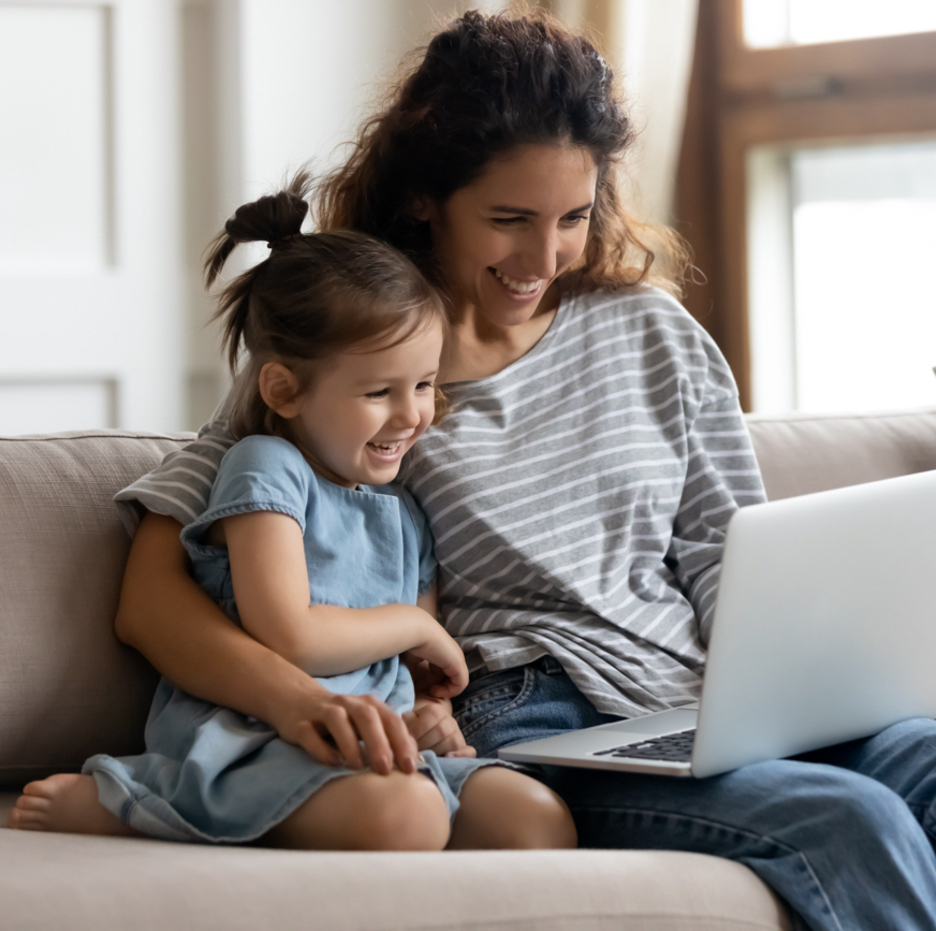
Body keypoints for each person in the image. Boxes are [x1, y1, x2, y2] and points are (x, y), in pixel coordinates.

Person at [13, 8, 936, 926]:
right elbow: (152, 595)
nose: (542, 256)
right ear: (427, 197)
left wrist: (794, 692)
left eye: (572, 217)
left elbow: (728, 558)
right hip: (532, 720)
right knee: (849, 820)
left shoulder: (654, 334)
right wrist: (303, 701)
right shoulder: (363, 359)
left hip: (699, 703)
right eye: (509, 217)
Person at [5, 175, 576, 851]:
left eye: (423, 384)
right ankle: (144, 794)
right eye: (378, 391)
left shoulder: (404, 509)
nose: (412, 414)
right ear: (283, 389)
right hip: (255, 734)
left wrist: (432, 710)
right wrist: (413, 625)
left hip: (376, 742)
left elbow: (418, 668)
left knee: (537, 818)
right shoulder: (265, 465)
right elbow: (290, 634)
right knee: (408, 817)